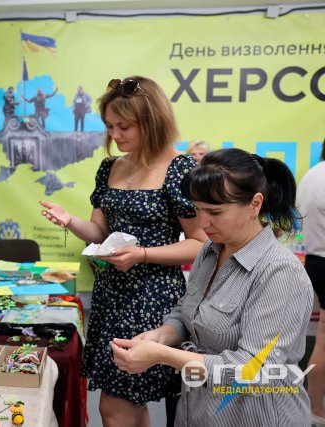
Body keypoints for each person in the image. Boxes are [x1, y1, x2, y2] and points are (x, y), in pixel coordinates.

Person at [40, 76, 207, 427]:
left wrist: (142, 254)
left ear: (151, 122)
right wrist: (70, 221)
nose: (115, 134)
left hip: (152, 300)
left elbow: (199, 243)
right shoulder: (111, 167)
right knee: (130, 405)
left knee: (115, 409)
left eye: (124, 126)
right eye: (109, 126)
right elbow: (99, 232)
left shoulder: (179, 169)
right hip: (110, 296)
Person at [111, 148, 313, 426]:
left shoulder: (279, 271)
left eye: (215, 212)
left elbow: (253, 370)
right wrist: (163, 335)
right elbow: (188, 310)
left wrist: (161, 355)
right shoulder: (210, 250)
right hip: (198, 410)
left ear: (255, 204)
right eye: (197, 209)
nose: (202, 222)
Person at [297, 139, 325, 426]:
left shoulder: (311, 175)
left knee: (322, 340)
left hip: (315, 258)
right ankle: (315, 408)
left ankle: (315, 407)